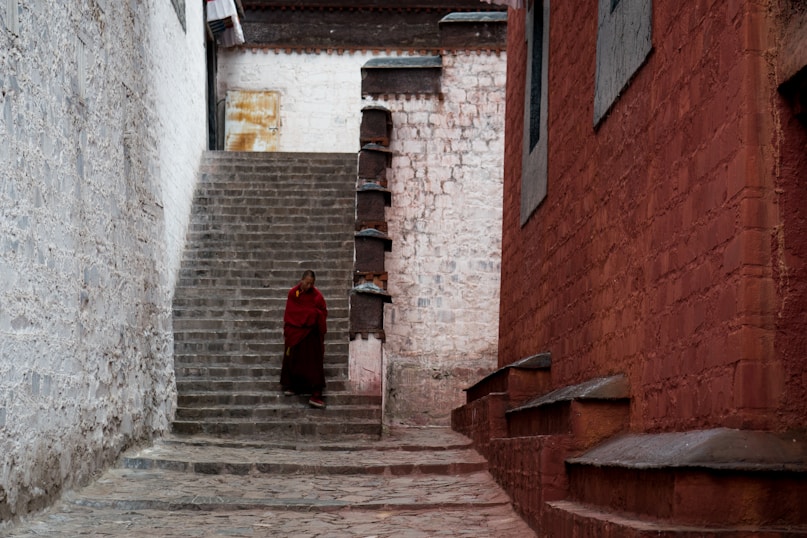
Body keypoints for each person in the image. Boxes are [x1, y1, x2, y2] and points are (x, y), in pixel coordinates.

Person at [280, 270, 328, 409]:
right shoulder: (293, 293)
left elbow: (323, 312)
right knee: (293, 359)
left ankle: (316, 394)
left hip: (310, 335)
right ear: (301, 280)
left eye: (311, 284)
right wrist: (309, 313)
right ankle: (294, 386)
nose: (308, 286)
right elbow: (291, 311)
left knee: (313, 363)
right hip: (295, 332)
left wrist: (314, 315)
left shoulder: (317, 296)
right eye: (307, 283)